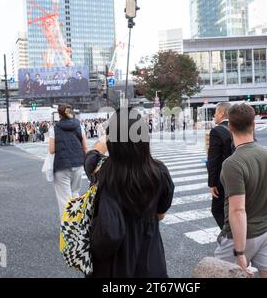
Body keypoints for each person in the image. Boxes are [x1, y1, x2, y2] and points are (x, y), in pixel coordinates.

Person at [83, 108, 174, 277]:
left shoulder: (102, 171)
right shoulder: (159, 172)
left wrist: (103, 141)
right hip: (149, 258)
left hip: (112, 263)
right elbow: (160, 214)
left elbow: (90, 157)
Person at [214, 103, 267, 278]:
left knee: (216, 273)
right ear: (254, 125)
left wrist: (240, 252)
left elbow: (237, 210)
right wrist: (265, 217)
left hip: (241, 237)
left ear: (229, 127)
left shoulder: (232, 163)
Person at [49, 104, 88, 218]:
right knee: (75, 194)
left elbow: (51, 150)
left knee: (64, 199)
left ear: (59, 114)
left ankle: (67, 227)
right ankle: (77, 224)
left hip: (62, 166)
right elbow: (85, 148)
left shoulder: (55, 128)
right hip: (78, 164)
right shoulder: (79, 126)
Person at [207, 102, 233, 229]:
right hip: (239, 173)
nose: (214, 116)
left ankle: (231, 237)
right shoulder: (236, 127)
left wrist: (212, 183)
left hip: (222, 178)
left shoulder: (216, 131)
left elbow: (213, 160)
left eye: (216, 113)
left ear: (222, 113)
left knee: (217, 210)